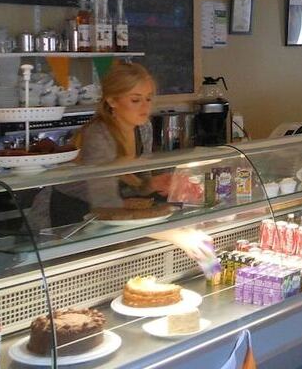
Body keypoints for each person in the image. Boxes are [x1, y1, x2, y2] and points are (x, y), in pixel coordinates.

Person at [28, 63, 212, 260]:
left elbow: (138, 184)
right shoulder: (98, 135)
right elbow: (105, 205)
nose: (146, 107)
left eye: (148, 98)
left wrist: (153, 184)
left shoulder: (144, 128)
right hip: (67, 216)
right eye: (135, 100)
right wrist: (170, 233)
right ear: (112, 101)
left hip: (109, 218)